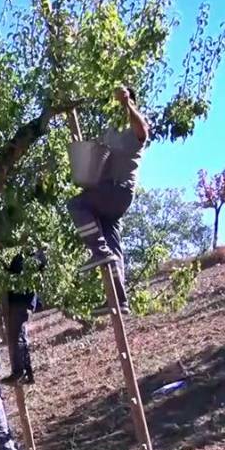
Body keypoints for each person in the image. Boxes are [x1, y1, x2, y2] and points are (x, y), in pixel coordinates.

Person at [67, 85, 150, 316]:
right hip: (108, 195)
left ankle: (99, 251)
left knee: (76, 205)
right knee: (113, 245)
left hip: (117, 190)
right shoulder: (111, 131)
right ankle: (119, 298)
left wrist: (127, 103)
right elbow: (97, 153)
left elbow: (143, 132)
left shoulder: (134, 126)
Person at [0, 251, 45, 386]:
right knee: (20, 335)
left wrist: (4, 267)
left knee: (16, 336)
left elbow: (15, 271)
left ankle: (20, 372)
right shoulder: (31, 251)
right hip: (24, 300)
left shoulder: (24, 252)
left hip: (20, 299)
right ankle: (27, 374)